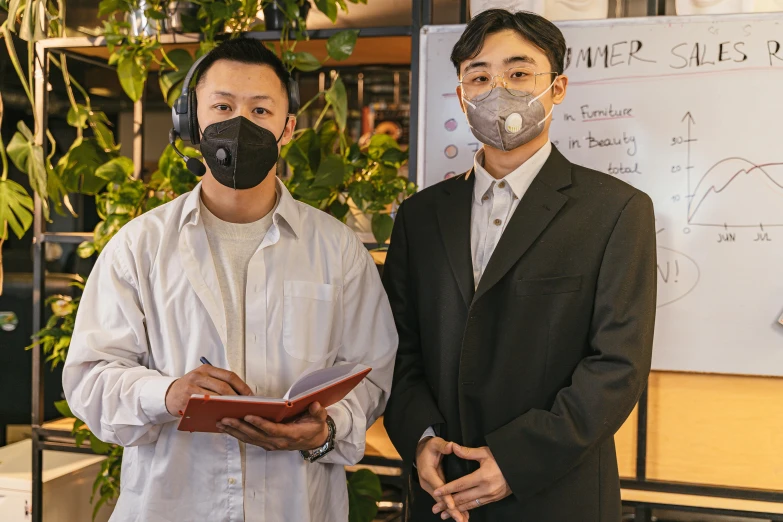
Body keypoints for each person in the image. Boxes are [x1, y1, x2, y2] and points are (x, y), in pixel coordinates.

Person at [62, 37, 397, 522]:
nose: (239, 125)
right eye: (222, 106)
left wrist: (326, 430)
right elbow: (90, 378)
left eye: (260, 110)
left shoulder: (337, 249)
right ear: (191, 122)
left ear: (287, 129)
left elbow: (371, 373)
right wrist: (168, 393)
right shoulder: (139, 247)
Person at [382, 9, 656, 522]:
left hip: (555, 494)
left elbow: (617, 364)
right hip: (442, 493)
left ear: (557, 87)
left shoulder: (616, 210)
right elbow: (400, 346)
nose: (497, 89)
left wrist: (515, 459)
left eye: (519, 72)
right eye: (479, 76)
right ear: (462, 96)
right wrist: (421, 440)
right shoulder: (420, 216)